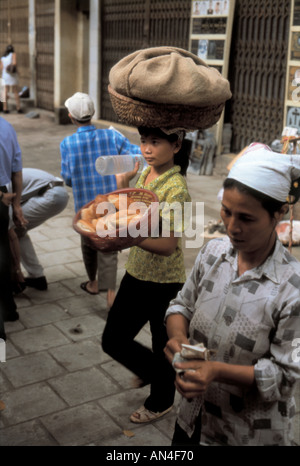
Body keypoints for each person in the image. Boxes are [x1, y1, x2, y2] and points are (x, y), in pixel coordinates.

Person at [164, 143, 300, 446]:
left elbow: (287, 376)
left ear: (279, 213)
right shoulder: (213, 253)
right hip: (191, 419)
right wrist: (177, 339)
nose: (232, 227)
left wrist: (216, 371)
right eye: (226, 212)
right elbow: (181, 305)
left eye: (247, 218)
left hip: (246, 431)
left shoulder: (293, 288)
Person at [102, 126, 191, 423]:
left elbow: (167, 245)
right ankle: (157, 374)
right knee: (113, 339)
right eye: (143, 141)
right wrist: (122, 182)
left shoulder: (176, 189)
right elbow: (132, 216)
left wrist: (131, 238)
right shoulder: (145, 174)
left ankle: (161, 401)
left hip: (165, 282)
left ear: (176, 145)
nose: (147, 149)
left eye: (155, 142)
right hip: (137, 271)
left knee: (161, 343)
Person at [60, 92, 141, 308]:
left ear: (71, 116)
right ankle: (110, 294)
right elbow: (137, 157)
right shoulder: (113, 137)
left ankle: (95, 283)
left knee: (88, 242)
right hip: (111, 204)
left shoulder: (67, 143)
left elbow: (67, 177)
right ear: (93, 113)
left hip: (85, 207)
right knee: (108, 249)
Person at [7, 168, 69, 293]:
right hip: (57, 192)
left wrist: (16, 269)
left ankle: (19, 277)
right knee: (18, 230)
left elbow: (8, 229)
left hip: (51, 194)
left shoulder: (3, 183)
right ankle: (37, 277)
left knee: (11, 230)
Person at [0, 116, 26, 340]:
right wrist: (16, 205)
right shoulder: (6, 127)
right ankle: (9, 309)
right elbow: (17, 171)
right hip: (4, 197)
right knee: (2, 252)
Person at [0, 45, 22, 114]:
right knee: (15, 91)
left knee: (5, 91)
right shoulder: (13, 54)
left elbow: (1, 68)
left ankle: (5, 108)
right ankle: (18, 108)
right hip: (12, 75)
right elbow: (14, 63)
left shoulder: (2, 58)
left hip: (5, 75)